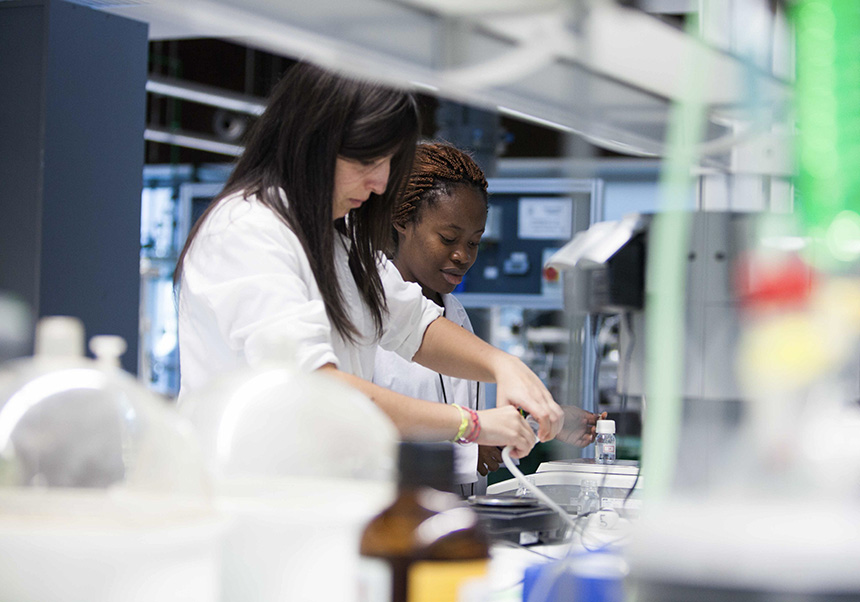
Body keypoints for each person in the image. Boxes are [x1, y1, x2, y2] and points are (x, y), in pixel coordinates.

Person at [174, 61, 563, 459]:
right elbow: (314, 390)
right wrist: (470, 424)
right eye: (366, 163)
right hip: (242, 501)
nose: (380, 184)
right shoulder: (246, 232)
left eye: (388, 165)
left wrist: (504, 365)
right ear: (312, 144)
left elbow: (412, 323)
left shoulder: (337, 240)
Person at [374, 143, 601, 495]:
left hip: (456, 519)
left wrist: (540, 422)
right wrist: (468, 449)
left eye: (475, 242)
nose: (463, 255)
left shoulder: (455, 313)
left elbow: (468, 424)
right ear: (402, 220)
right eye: (448, 238)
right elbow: (354, 437)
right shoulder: (366, 306)